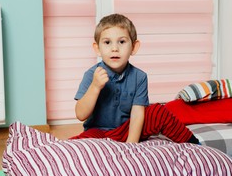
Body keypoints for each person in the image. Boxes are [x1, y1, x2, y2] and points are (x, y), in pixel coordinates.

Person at [71, 13, 199, 144]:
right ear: (97, 49)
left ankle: (195, 144)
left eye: (122, 42)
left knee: (158, 111)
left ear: (134, 47)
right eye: (107, 42)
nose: (114, 48)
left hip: (128, 130)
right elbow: (81, 115)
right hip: (99, 132)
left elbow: (137, 114)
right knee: (77, 142)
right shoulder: (92, 74)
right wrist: (95, 87)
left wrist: (131, 145)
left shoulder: (139, 77)